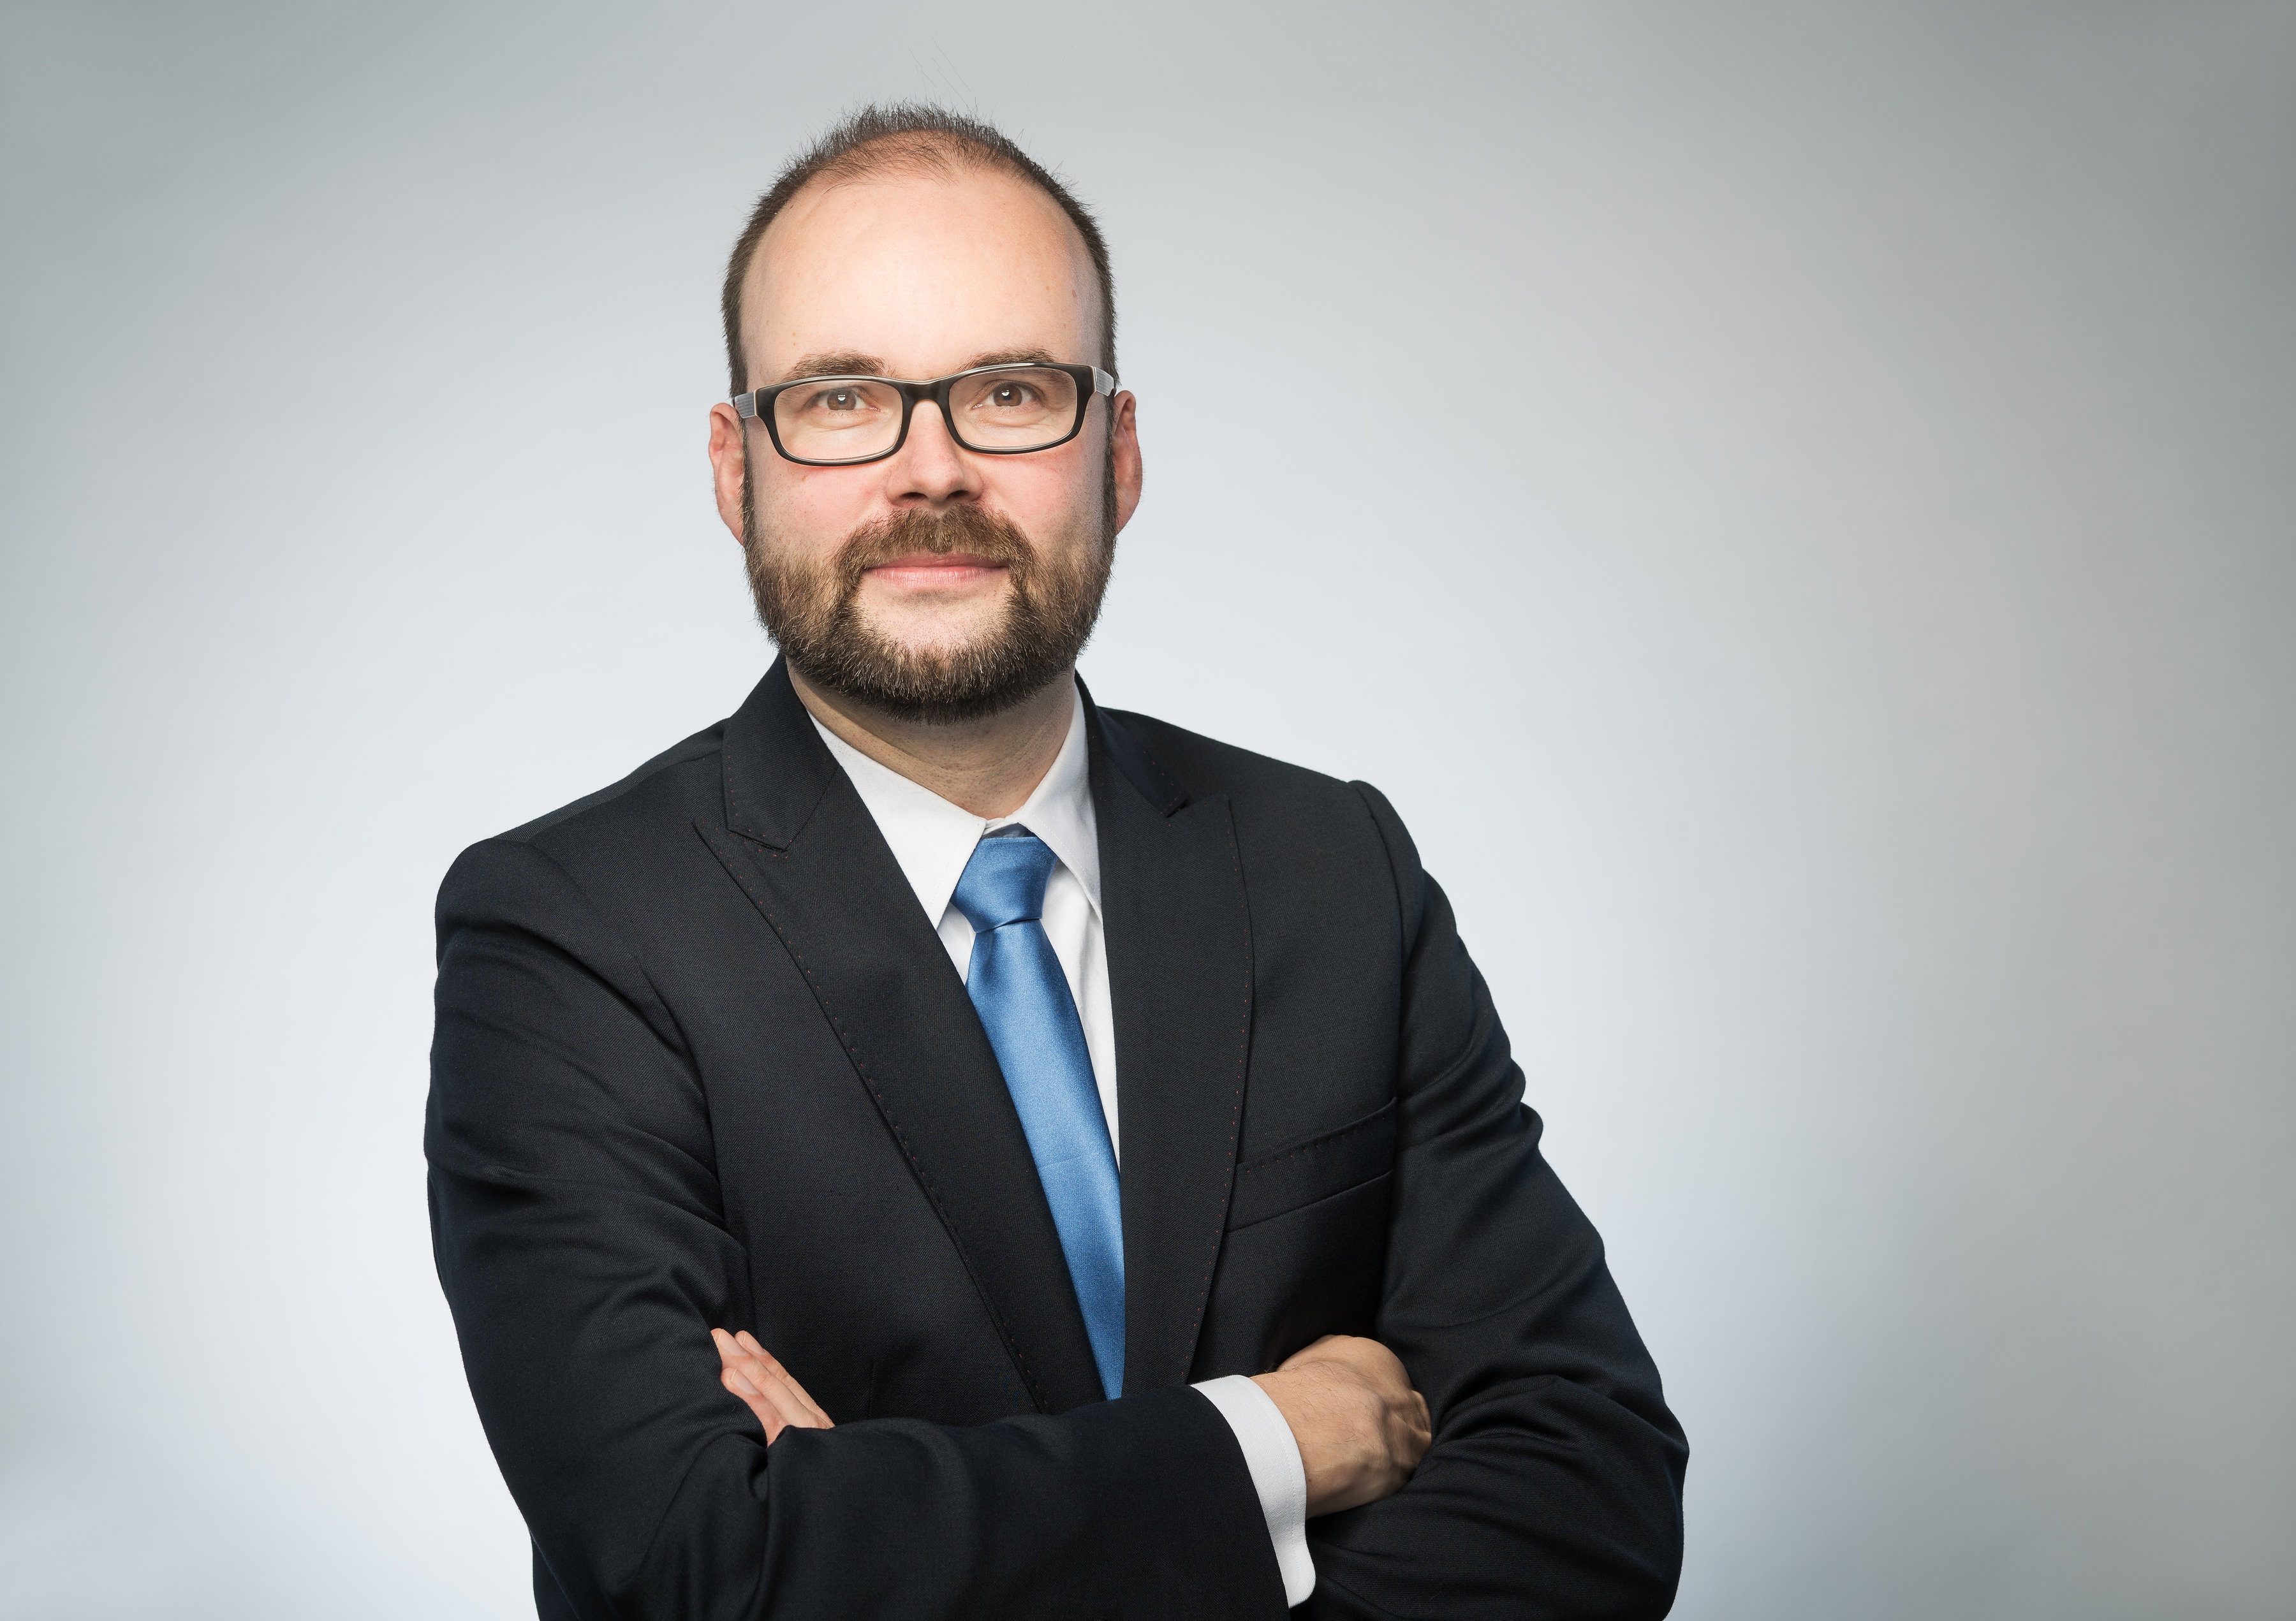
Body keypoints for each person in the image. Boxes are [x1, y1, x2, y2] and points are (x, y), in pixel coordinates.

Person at [427, 103, 1687, 1620]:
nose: (933, 470)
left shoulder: (1334, 870)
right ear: (734, 468)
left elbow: (1593, 1488)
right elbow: (708, 1566)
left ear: (1120, 453)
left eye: (1011, 392)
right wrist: (1273, 1440)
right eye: (841, 398)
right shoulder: (567, 939)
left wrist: (877, 1526)